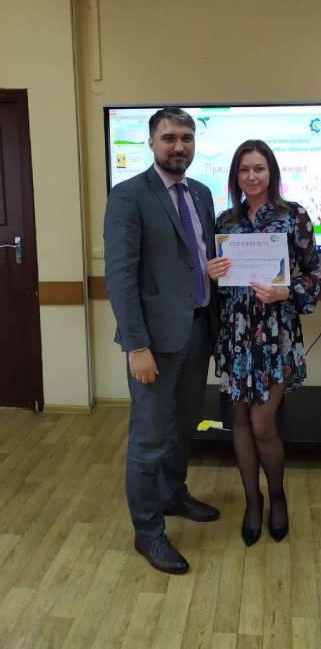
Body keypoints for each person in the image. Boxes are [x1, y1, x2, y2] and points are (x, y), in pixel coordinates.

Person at [104, 107, 219, 575]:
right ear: (151, 142)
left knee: (183, 426)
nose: (179, 146)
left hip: (198, 330)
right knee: (149, 439)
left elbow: (199, 259)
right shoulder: (129, 196)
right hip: (152, 342)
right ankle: (148, 533)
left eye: (186, 137)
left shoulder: (202, 193)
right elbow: (120, 276)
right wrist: (136, 346)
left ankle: (173, 495)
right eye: (169, 137)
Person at [207, 139, 321, 545]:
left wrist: (285, 292)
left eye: (259, 168)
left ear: (271, 172)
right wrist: (210, 272)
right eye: (244, 169)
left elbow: (314, 276)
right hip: (236, 336)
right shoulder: (226, 221)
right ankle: (252, 501)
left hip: (276, 337)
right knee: (239, 421)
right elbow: (216, 284)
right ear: (235, 176)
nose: (251, 176)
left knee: (262, 423)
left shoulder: (294, 217)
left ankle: (277, 497)